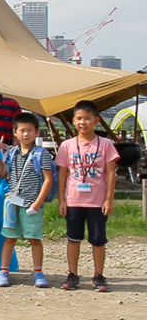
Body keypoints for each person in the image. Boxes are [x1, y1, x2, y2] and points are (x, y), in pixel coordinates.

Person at [55, 100, 120, 292]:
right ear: (74, 121)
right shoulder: (67, 145)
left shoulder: (106, 144)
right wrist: (62, 200)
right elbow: (63, 173)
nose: (83, 122)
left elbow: (110, 173)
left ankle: (99, 275)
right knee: (73, 238)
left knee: (98, 239)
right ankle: (72, 274)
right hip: (74, 200)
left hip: (97, 202)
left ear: (96, 120)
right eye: (79, 118)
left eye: (87, 118)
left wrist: (109, 199)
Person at [0, 111, 54, 288]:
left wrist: (37, 203)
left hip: (32, 204)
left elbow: (48, 179)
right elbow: (3, 174)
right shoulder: (11, 152)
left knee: (34, 238)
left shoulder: (42, 154)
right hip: (11, 203)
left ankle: (38, 271)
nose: (26, 134)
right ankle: (3, 271)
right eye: (22, 130)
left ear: (37, 132)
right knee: (9, 238)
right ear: (15, 132)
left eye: (30, 130)